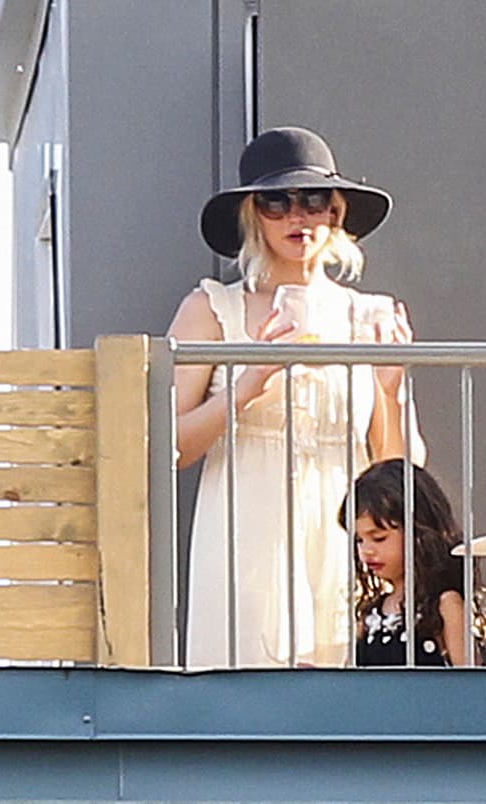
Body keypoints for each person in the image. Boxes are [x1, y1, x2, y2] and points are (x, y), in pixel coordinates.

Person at [172, 126, 424, 669]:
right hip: (246, 533)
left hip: (341, 538)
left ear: (336, 213)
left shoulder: (369, 316)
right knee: (245, 706)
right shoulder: (212, 308)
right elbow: (168, 446)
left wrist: (392, 387)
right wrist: (249, 383)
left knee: (344, 713)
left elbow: (396, 474)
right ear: (251, 216)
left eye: (313, 199)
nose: (297, 216)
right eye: (275, 201)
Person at [338, 459, 486, 667]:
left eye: (379, 538)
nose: (367, 550)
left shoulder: (445, 606)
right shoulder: (370, 615)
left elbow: (472, 684)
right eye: (359, 540)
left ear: (417, 532)